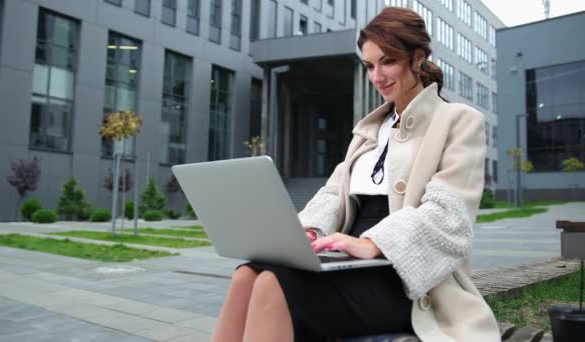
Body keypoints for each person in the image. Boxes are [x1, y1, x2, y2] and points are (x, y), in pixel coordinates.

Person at [212, 7, 500, 342]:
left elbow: (448, 216)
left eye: (387, 61)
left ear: (417, 58)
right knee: (247, 274)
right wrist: (305, 232)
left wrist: (372, 242)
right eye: (369, 66)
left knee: (273, 283)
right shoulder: (369, 130)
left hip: (408, 280)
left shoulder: (458, 121)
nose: (377, 76)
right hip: (351, 263)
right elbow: (333, 194)